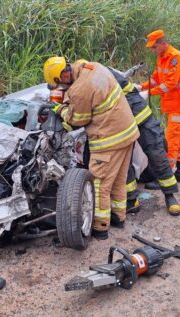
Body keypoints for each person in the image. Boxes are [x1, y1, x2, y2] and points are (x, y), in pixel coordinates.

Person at [43, 57, 139, 240]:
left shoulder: (80, 89)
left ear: (64, 75)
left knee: (99, 183)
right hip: (127, 133)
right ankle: (119, 218)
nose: (61, 89)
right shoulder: (91, 66)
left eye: (59, 85)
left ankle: (100, 227)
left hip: (109, 140)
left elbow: (78, 119)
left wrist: (60, 109)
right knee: (118, 180)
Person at [108, 67, 180, 216]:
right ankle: (131, 200)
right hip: (119, 123)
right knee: (123, 160)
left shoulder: (100, 75)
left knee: (157, 153)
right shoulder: (84, 81)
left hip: (139, 115)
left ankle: (170, 196)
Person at [137, 29, 180, 183]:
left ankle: (164, 176)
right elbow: (155, 79)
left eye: (154, 47)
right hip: (172, 104)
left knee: (171, 140)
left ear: (163, 43)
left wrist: (149, 93)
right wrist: (141, 88)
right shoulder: (162, 57)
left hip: (179, 104)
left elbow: (170, 84)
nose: (153, 50)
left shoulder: (175, 57)